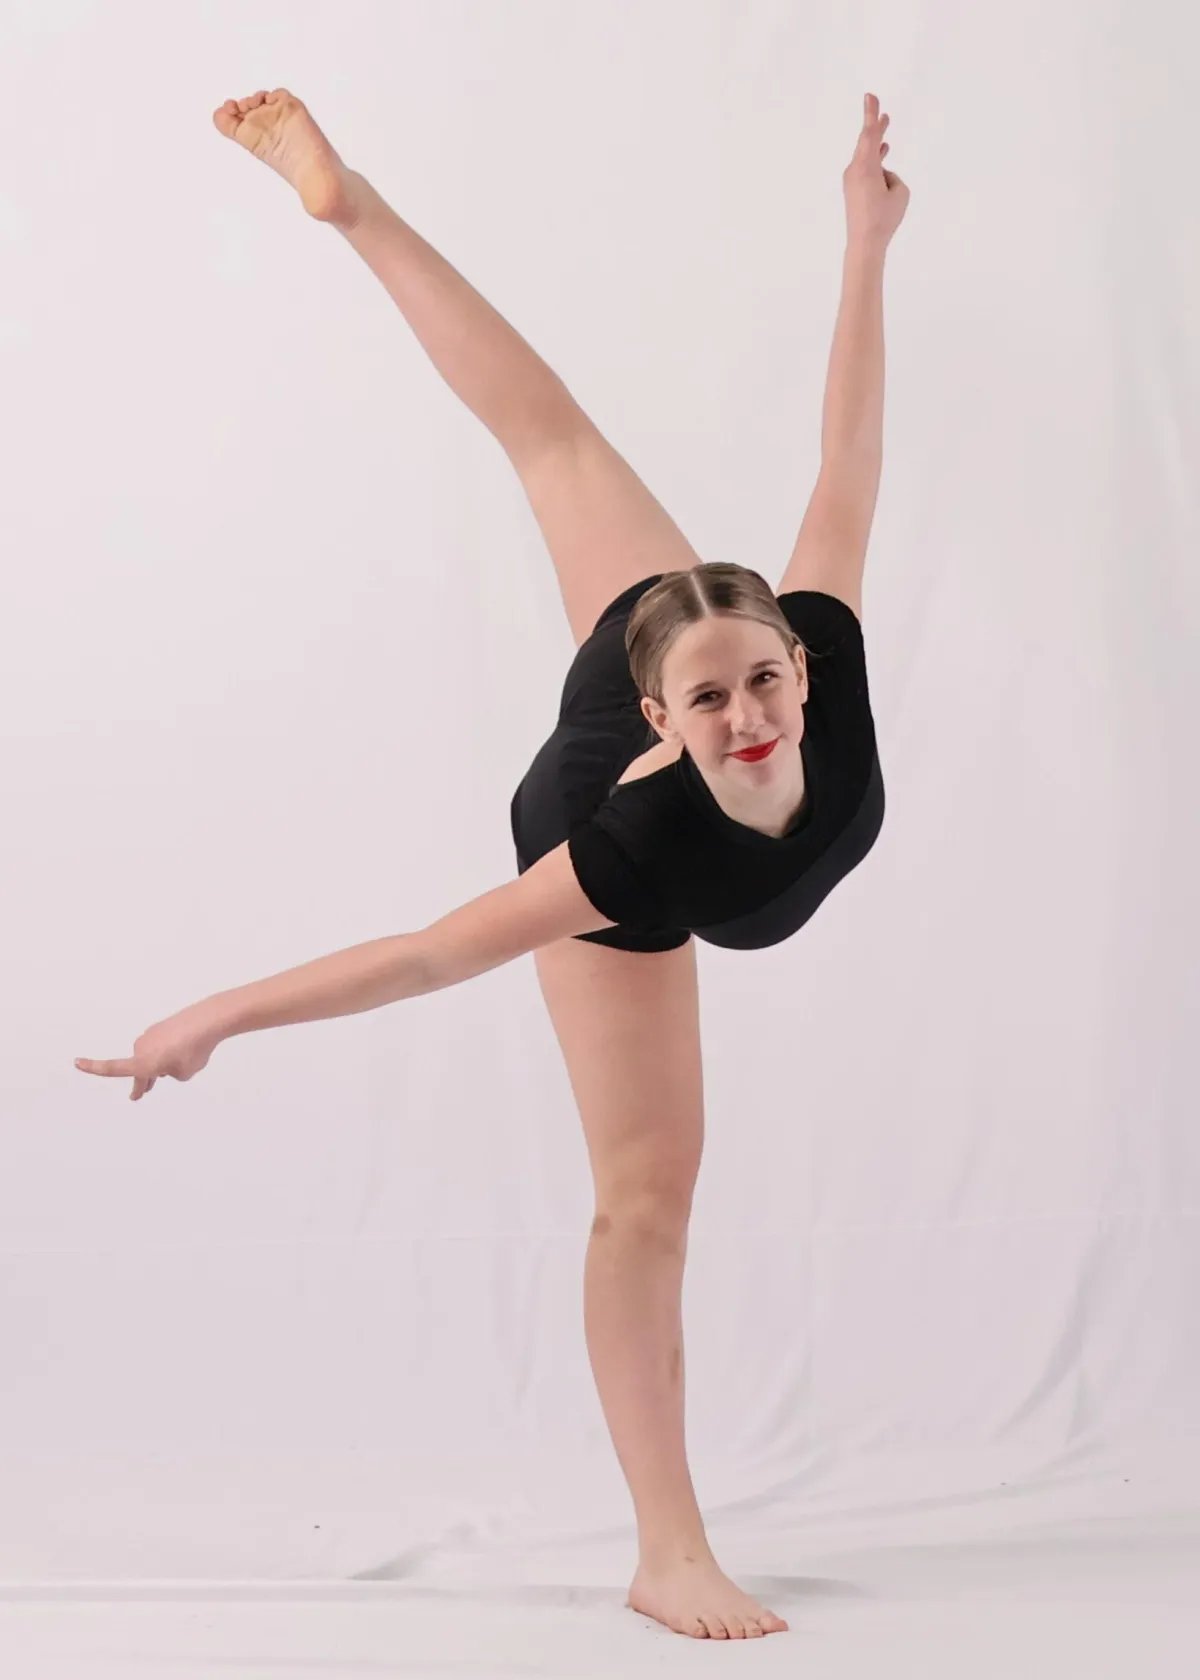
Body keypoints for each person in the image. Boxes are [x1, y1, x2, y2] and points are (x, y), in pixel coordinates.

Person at [76, 87, 908, 1640]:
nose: (746, 719)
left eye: (763, 684)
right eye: (710, 702)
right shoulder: (627, 844)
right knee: (645, 1197)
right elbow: (427, 954)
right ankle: (668, 1551)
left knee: (557, 440)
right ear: (661, 718)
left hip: (663, 633)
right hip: (595, 814)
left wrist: (864, 241)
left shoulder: (815, 660)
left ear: (801, 668)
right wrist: (213, 1019)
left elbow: (846, 454)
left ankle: (352, 204)